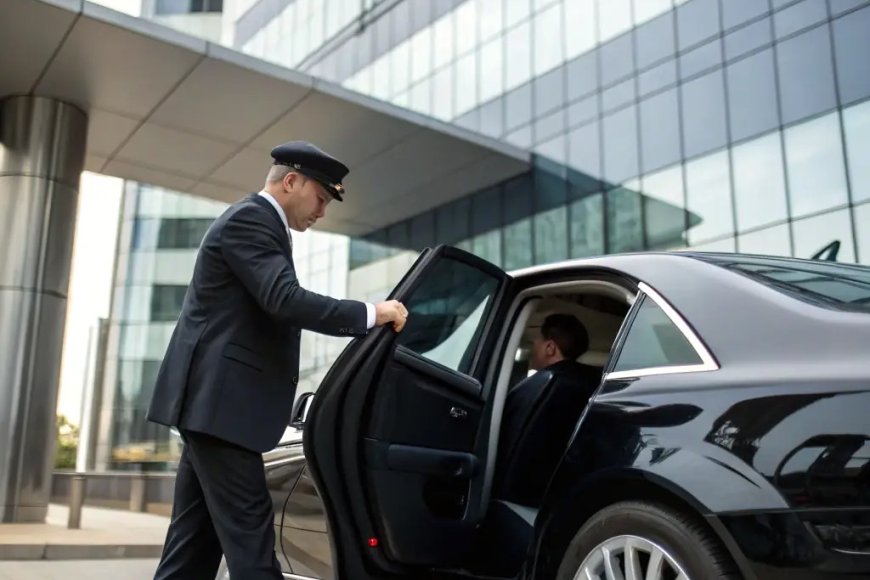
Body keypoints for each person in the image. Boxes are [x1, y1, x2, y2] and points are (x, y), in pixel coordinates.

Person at [147, 141, 408, 580]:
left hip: (213, 411)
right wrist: (370, 313)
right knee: (252, 549)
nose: (322, 211)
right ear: (291, 182)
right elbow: (283, 299)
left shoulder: (258, 224)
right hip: (222, 412)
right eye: (321, 198)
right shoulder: (251, 220)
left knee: (191, 551)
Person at [495, 313, 601, 504]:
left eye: (535, 342)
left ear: (550, 347)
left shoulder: (537, 387)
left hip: (519, 494)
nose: (532, 348)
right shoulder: (595, 386)